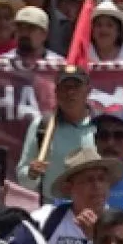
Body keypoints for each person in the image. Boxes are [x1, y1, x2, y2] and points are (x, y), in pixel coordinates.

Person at [19, 67, 96, 202]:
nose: (70, 92)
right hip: (53, 209)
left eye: (76, 87)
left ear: (88, 91)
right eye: (65, 87)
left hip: (93, 206)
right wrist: (31, 174)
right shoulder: (42, 126)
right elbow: (23, 176)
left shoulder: (101, 125)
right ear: (56, 92)